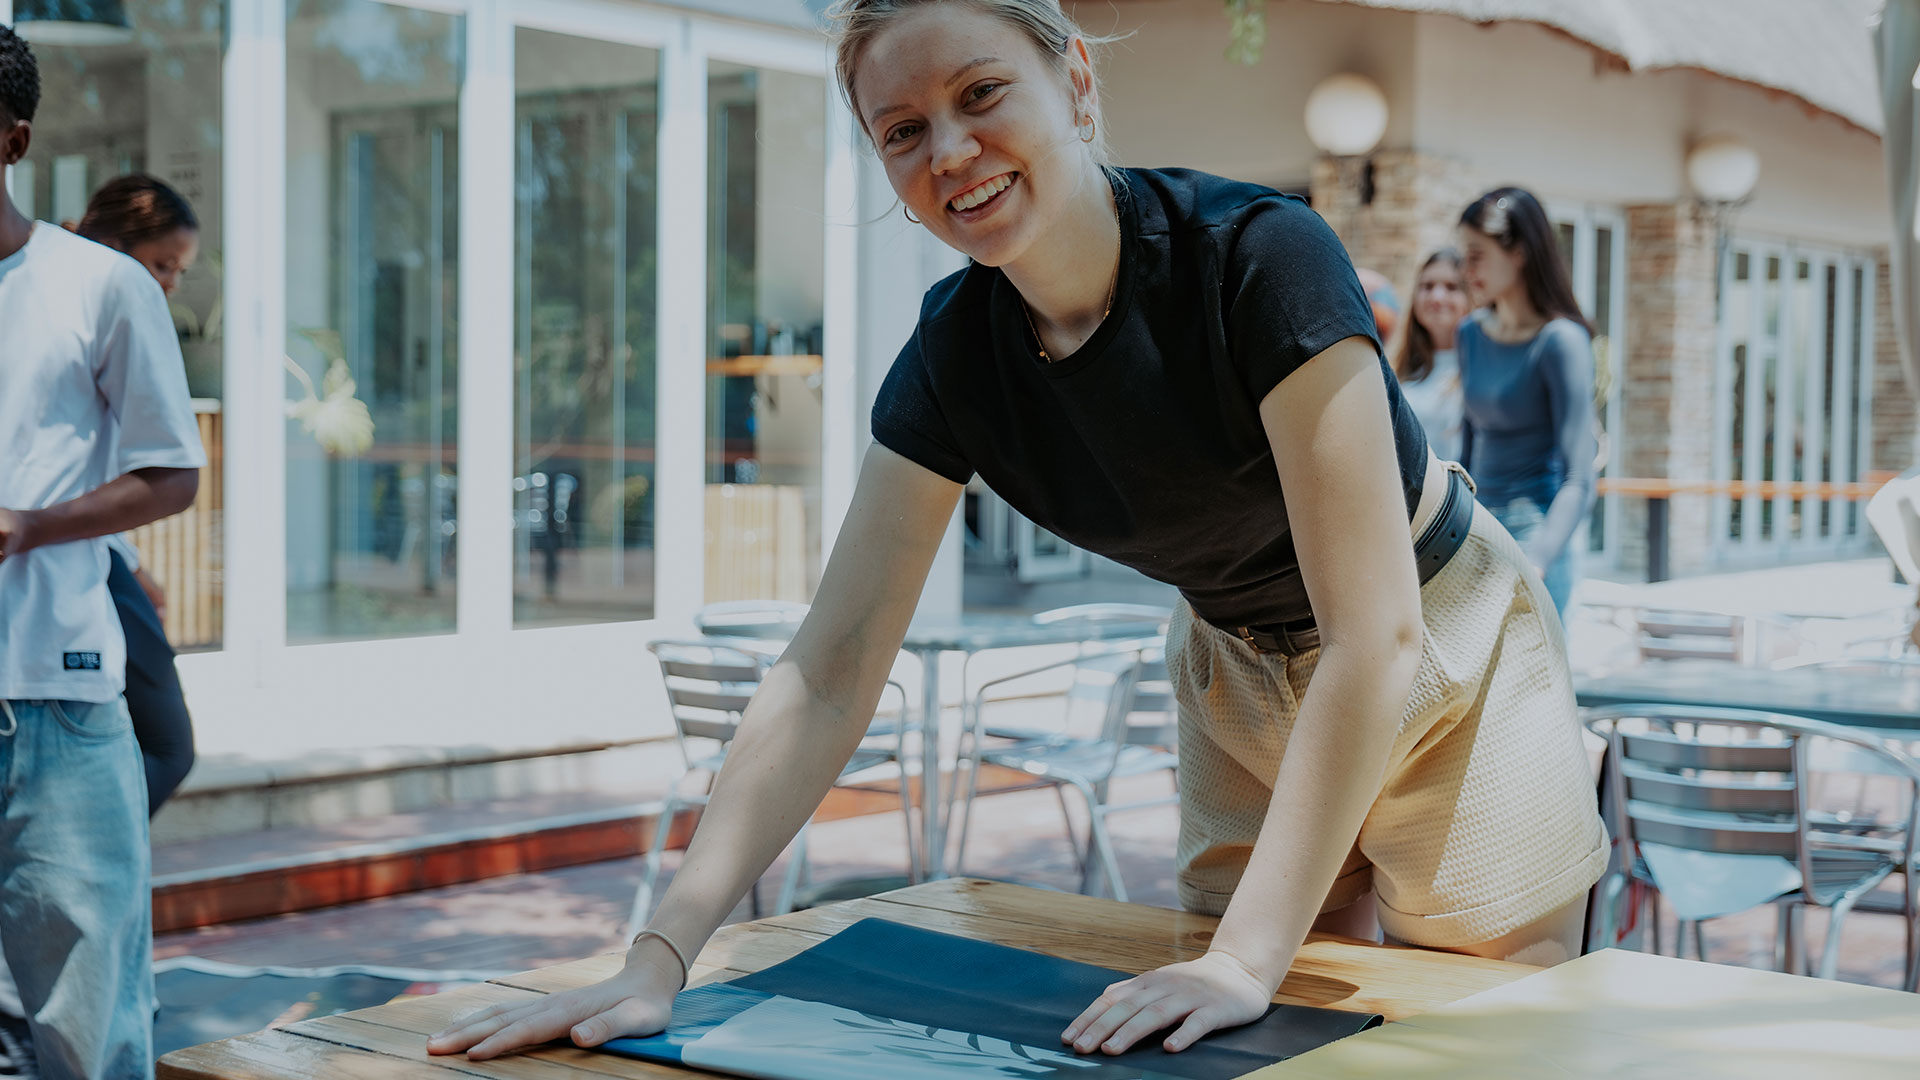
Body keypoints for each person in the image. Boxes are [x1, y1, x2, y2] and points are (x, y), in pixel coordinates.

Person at [429, 0, 1605, 1063]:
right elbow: (830, 671)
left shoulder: (1260, 259)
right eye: (901, 130)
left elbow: (1375, 632)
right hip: (1236, 666)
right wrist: (660, 955)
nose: (949, 152)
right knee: (1260, 1046)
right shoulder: (954, 357)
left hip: (1443, 642)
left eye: (981, 94)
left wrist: (1244, 958)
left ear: (1077, 83)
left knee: (1482, 1035)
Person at [0, 24, 207, 1080]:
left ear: (13, 138)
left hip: (58, 702)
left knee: (90, 1040)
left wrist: (30, 526)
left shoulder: (98, 285)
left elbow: (175, 472)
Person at [72, 174, 202, 816]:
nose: (171, 284)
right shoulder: (77, 306)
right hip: (63, 553)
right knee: (170, 745)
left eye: (177, 270)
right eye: (162, 264)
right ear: (112, 244)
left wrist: (132, 559)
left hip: (95, 549)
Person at [1455, 188, 1598, 621]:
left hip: (1536, 539)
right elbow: (1465, 454)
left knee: (1537, 686)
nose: (1467, 269)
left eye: (1477, 254)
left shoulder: (1561, 342)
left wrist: (1537, 561)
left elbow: (1580, 477)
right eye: (1464, 255)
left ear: (1518, 252)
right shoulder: (1470, 334)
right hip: (1476, 535)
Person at [1392, 249, 1469, 461]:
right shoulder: (1398, 370)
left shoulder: (1481, 367)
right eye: (1427, 286)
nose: (1436, 297)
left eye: (1452, 287)